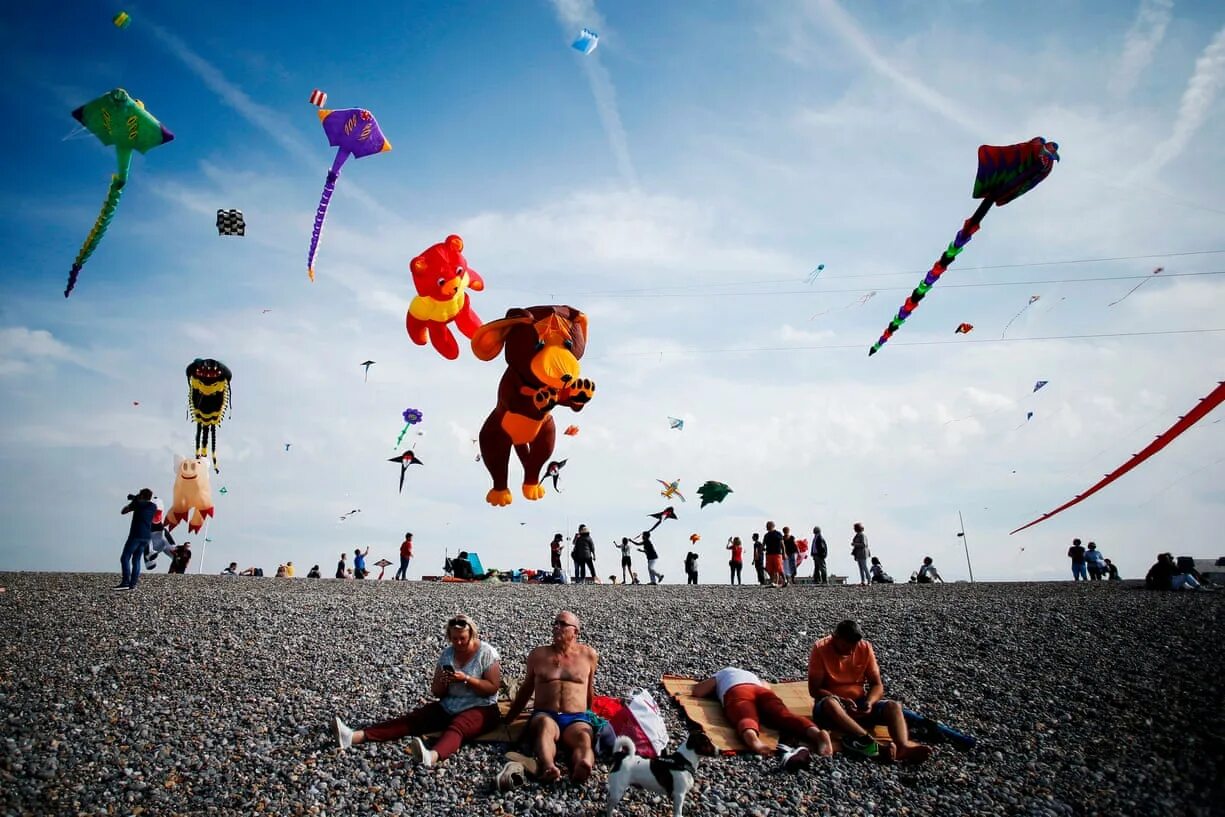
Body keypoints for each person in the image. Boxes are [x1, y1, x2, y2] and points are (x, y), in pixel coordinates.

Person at [332, 613, 502, 766]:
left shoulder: (486, 653)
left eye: (462, 638)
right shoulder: (448, 654)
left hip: (482, 707)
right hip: (452, 704)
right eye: (454, 638)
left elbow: (492, 688)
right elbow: (437, 692)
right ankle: (354, 736)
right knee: (414, 719)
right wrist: (445, 682)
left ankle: (432, 756)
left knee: (458, 727)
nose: (458, 642)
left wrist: (466, 679)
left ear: (471, 634)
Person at [807, 620, 932, 762]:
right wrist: (840, 700)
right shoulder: (820, 648)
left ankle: (902, 747)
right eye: (846, 646)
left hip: (858, 703)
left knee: (893, 706)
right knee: (831, 703)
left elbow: (877, 685)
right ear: (835, 638)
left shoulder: (864, 647)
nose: (851, 651)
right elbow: (814, 690)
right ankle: (871, 743)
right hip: (830, 707)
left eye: (853, 647)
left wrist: (870, 702)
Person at [503, 610, 601, 783]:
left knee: (583, 738)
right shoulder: (538, 655)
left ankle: (583, 764)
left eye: (562, 624)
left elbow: (588, 689)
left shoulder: (589, 655)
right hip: (546, 714)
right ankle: (549, 766)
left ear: (575, 631)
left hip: (576, 717)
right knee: (545, 728)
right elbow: (526, 689)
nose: (556, 627)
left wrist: (589, 714)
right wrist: (510, 717)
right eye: (555, 623)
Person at [691, 667, 832, 763]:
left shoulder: (722, 673)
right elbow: (767, 687)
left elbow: (698, 691)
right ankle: (816, 733)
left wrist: (713, 689)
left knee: (745, 716)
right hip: (760, 690)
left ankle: (754, 741)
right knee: (783, 715)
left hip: (738, 691)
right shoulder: (753, 676)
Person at [115, 489, 157, 591]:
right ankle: (132, 584)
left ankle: (125, 582)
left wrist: (134, 501)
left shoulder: (138, 504)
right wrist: (136, 500)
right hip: (146, 536)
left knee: (125, 557)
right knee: (136, 560)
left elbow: (123, 511)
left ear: (142, 496)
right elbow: (145, 503)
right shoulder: (153, 506)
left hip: (136, 535)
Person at [763, 521, 785, 587]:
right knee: (770, 569)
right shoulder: (766, 535)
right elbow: (763, 544)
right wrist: (761, 549)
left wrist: (784, 553)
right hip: (769, 554)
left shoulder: (778, 534)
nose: (766, 527)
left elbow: (782, 544)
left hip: (777, 553)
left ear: (772, 526)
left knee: (779, 568)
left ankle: (785, 580)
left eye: (767, 525)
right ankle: (773, 582)